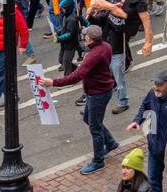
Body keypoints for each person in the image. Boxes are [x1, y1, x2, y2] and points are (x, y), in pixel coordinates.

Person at [39, 24, 120, 174]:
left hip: (98, 94)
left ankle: (98, 161)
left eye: (85, 36)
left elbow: (76, 76)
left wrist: (53, 82)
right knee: (89, 119)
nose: (83, 37)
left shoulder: (94, 55)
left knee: (94, 127)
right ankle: (110, 142)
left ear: (89, 39)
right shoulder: (105, 46)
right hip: (100, 90)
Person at [128, 70, 167, 192]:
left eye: (160, 85)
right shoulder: (152, 94)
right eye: (155, 84)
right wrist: (137, 120)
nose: (156, 88)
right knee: (153, 180)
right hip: (154, 147)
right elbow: (144, 106)